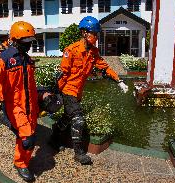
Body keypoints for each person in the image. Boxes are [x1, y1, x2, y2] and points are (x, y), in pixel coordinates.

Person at [50, 16, 129, 165]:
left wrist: (119, 80)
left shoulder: (93, 52)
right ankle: (79, 153)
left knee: (67, 118)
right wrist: (57, 92)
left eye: (97, 34)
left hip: (78, 92)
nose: (97, 37)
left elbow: (104, 67)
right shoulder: (71, 50)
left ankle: (54, 137)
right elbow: (63, 73)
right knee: (78, 120)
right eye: (94, 34)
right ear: (85, 33)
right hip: (68, 90)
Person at [0, 21, 39, 182]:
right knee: (27, 138)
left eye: (30, 42)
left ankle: (22, 161)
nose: (28, 46)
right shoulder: (2, 60)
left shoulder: (28, 60)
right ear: (14, 40)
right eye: (24, 42)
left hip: (30, 106)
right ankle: (20, 164)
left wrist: (40, 100)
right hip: (14, 106)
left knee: (30, 137)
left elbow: (30, 86)